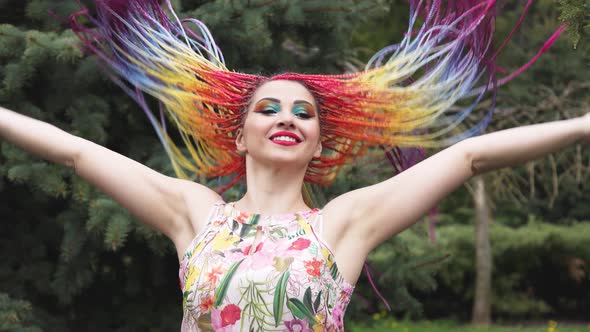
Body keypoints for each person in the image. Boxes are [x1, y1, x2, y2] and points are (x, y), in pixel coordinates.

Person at [1, 0, 588, 331]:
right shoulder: (195, 215)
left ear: (315, 144)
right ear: (242, 134)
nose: (288, 118)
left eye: (304, 113)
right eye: (270, 108)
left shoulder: (342, 224)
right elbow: (72, 150)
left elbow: (470, 155)